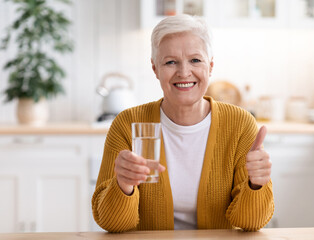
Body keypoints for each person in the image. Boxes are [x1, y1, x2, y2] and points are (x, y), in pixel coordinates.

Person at [92, 14, 274, 232]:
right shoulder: (127, 124)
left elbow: (250, 223)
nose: (184, 72)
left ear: (210, 66)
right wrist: (123, 186)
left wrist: (256, 184)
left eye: (195, 60)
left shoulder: (240, 124)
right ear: (155, 69)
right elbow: (111, 224)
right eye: (170, 62)